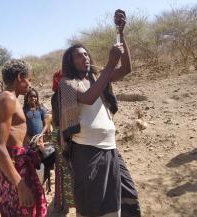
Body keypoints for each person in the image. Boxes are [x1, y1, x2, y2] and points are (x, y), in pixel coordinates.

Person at [58, 9, 141, 217]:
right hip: (87, 150)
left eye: (86, 54)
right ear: (71, 62)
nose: (84, 58)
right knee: (93, 203)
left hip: (110, 147)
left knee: (122, 196)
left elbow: (126, 69)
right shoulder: (68, 83)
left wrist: (121, 34)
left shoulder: (97, 77)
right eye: (78, 56)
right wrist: (111, 63)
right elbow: (88, 98)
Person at [0, 59, 47, 217]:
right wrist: (20, 185)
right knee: (24, 210)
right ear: (20, 77)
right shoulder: (8, 100)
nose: (30, 84)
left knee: (15, 210)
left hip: (12, 162)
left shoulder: (0, 99)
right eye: (29, 79)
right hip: (14, 165)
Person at [50, 69, 75, 212]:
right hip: (65, 134)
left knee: (63, 169)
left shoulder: (56, 96)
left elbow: (55, 120)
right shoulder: (64, 94)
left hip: (60, 133)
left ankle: (63, 204)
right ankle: (67, 203)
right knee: (68, 168)